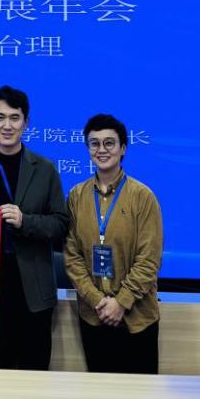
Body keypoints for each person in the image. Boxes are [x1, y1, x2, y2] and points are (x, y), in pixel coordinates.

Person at [0, 85, 69, 370]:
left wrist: (25, 222)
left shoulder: (45, 169)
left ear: (26, 122)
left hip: (32, 289)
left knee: (34, 374)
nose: (7, 125)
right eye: (0, 117)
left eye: (14, 117)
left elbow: (60, 224)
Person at [64, 113, 163, 374]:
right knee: (99, 395)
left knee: (139, 396)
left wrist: (120, 302)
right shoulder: (76, 196)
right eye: (94, 143)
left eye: (109, 143)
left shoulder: (143, 197)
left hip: (137, 319)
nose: (102, 150)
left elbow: (149, 260)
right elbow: (72, 257)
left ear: (123, 148)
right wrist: (98, 300)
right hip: (94, 317)